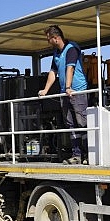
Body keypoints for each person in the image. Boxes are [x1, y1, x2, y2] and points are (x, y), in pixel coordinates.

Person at [38, 25, 89, 164]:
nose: (48, 42)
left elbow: (70, 68)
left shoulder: (71, 48)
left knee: (82, 122)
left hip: (77, 90)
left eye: (48, 39)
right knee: (70, 123)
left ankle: (87, 155)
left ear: (55, 38)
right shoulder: (56, 53)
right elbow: (53, 72)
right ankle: (76, 155)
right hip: (64, 93)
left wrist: (68, 87)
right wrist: (45, 90)